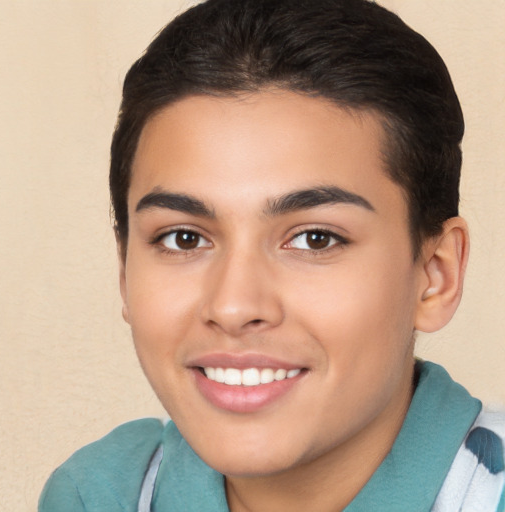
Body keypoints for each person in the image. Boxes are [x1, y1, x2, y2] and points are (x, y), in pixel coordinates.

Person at [38, 0, 505, 510]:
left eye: (315, 239)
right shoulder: (98, 496)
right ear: (125, 269)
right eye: (184, 238)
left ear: (435, 275)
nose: (234, 307)